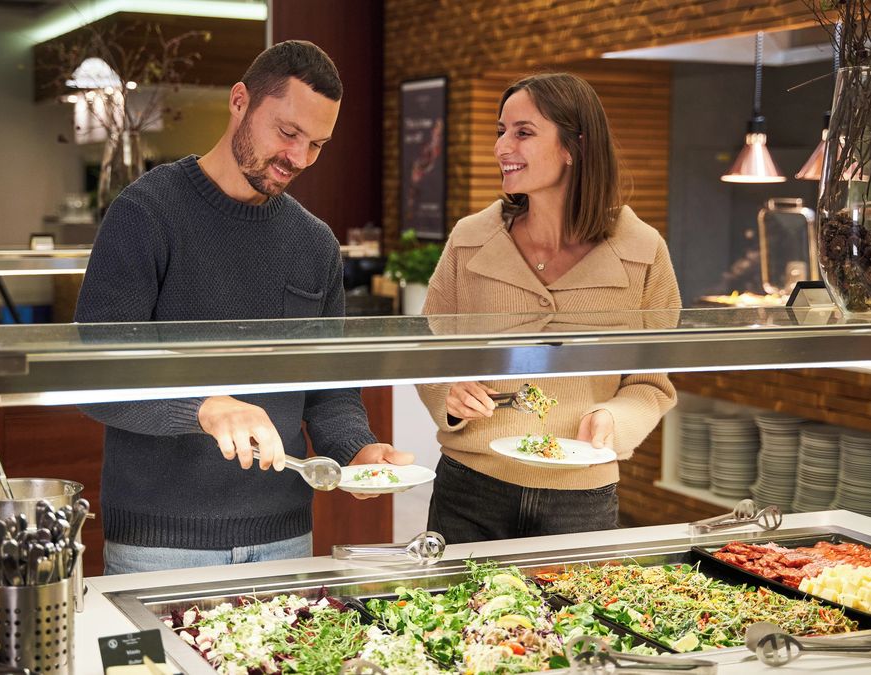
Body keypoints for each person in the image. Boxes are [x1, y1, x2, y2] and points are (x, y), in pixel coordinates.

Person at [76, 40, 412, 574]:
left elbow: (328, 391)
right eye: (287, 133)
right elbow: (94, 379)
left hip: (284, 537)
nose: (298, 159)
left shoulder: (315, 243)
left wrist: (357, 451)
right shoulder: (144, 214)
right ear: (240, 101)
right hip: (159, 544)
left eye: (317, 144)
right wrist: (203, 406)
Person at [416, 72, 680, 544]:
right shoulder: (469, 239)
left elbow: (650, 383)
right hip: (469, 490)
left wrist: (614, 421)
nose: (502, 147)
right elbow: (430, 351)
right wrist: (449, 395)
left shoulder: (643, 251)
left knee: (570, 621)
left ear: (573, 146)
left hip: (580, 499)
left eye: (523, 132)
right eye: (501, 131)